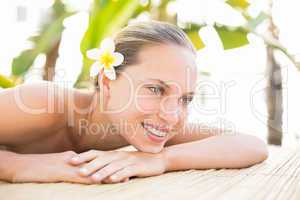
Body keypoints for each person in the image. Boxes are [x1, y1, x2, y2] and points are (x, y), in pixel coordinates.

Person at [0, 20, 268, 185]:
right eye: (155, 89)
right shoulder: (45, 104)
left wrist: (162, 160)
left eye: (185, 99)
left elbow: (251, 145)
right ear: (107, 82)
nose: (172, 116)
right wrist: (18, 166)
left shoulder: (155, 127)